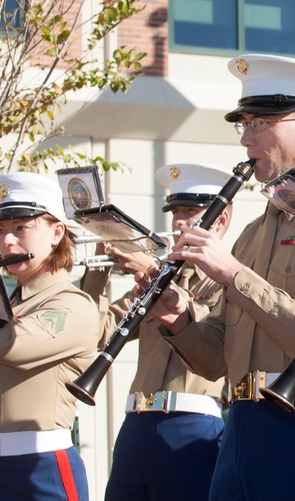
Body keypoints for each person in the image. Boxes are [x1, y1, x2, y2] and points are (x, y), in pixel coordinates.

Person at [141, 55, 295, 501]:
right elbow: (215, 362)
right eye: (244, 125)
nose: (246, 139)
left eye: (260, 123)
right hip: (240, 425)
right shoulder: (252, 231)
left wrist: (233, 274)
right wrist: (179, 319)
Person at [80, 163, 234, 501]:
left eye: (190, 211)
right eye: (176, 211)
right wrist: (98, 267)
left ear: (220, 221)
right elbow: (98, 332)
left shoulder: (230, 279)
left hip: (192, 425)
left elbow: (214, 341)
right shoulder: (159, 275)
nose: (179, 221)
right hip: (136, 423)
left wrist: (152, 270)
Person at [0, 172, 98, 500]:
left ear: (56, 232)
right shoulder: (4, 305)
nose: (7, 242)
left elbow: (10, 346)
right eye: (1, 231)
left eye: (21, 228)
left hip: (37, 470)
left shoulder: (72, 303)